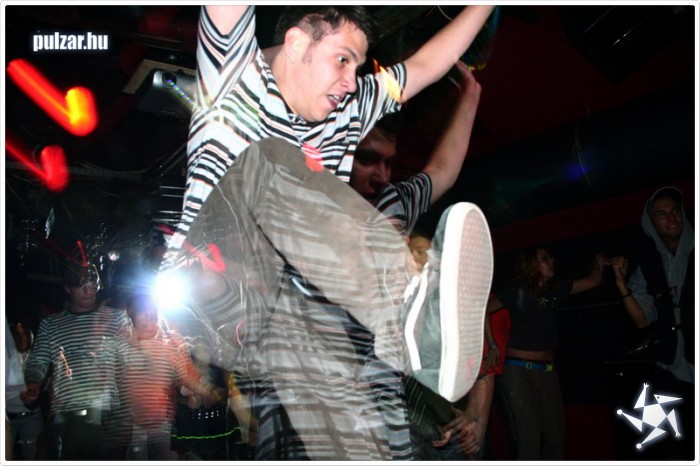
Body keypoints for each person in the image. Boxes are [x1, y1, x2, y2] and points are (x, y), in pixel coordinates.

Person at [160, 5, 495, 460]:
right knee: (271, 159)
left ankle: (415, 334)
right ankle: (406, 304)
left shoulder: (351, 110)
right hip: (208, 288)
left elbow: (425, 65)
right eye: (342, 60)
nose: (351, 82)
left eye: (357, 67)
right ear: (297, 42)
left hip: (278, 322)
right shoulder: (234, 74)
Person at [485, 246, 613, 460]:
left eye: (550, 257)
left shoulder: (557, 289)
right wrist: (492, 345)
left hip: (547, 372)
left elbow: (593, 281)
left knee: (555, 434)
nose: (551, 261)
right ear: (531, 264)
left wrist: (599, 261)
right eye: (544, 258)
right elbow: (485, 311)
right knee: (530, 435)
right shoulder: (516, 289)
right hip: (518, 371)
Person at [610, 186, 694, 460]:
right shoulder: (648, 265)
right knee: (672, 444)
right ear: (651, 224)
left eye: (675, 211)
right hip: (670, 367)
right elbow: (642, 320)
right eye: (662, 214)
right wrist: (621, 284)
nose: (672, 218)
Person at [21, 263, 131, 460]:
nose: (88, 290)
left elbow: (129, 358)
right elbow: (38, 360)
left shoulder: (116, 318)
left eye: (92, 284)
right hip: (70, 409)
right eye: (81, 285)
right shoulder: (51, 324)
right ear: (67, 288)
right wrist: (33, 382)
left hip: (111, 410)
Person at [119, 292, 222, 461]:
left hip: (163, 422)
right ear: (131, 313)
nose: (150, 315)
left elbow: (185, 375)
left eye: (153, 310)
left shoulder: (171, 342)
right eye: (144, 311)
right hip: (132, 424)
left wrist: (205, 392)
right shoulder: (121, 342)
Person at [5, 320, 44, 461]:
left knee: (33, 457)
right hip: (7, 418)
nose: (22, 339)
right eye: (17, 336)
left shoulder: (38, 360)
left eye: (25, 335)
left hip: (31, 417)